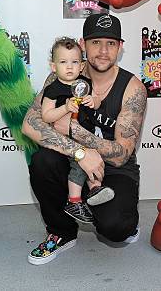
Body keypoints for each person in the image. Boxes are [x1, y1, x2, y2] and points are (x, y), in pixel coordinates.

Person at [22, 13, 147, 265]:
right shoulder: (65, 74)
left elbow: (122, 153)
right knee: (42, 161)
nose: (103, 51)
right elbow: (30, 124)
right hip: (72, 161)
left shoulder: (133, 88)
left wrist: (75, 131)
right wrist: (80, 153)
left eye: (111, 43)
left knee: (116, 228)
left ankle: (104, 212)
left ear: (120, 47)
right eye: (95, 42)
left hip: (113, 168)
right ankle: (61, 232)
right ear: (83, 44)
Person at [41, 37, 115, 224]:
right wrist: (65, 108)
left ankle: (95, 189)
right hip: (65, 140)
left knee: (96, 160)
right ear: (53, 66)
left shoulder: (84, 83)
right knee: (78, 165)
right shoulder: (53, 89)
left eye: (74, 62)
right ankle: (74, 201)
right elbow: (46, 116)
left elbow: (97, 100)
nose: (69, 67)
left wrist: (93, 101)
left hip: (87, 137)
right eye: (63, 62)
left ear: (81, 66)